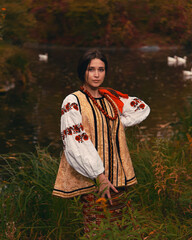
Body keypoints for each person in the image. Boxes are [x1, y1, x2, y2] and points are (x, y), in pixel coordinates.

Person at [53, 48, 150, 233]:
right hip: (93, 180)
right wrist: (99, 175)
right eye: (91, 69)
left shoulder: (109, 100)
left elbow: (142, 108)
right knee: (97, 229)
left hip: (117, 178)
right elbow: (75, 142)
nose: (96, 75)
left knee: (119, 229)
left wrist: (116, 110)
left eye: (101, 69)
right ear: (83, 71)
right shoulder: (73, 101)